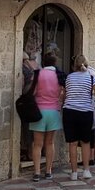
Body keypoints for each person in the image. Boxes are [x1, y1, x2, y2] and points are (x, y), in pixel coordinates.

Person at [63, 55, 95, 180]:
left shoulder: (69, 77)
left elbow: (65, 94)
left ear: (74, 66)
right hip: (85, 112)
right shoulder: (91, 77)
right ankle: (86, 170)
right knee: (86, 142)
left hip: (69, 111)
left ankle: (74, 172)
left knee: (73, 143)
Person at [29, 54, 64, 182]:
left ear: (43, 62)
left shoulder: (38, 74)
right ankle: (48, 171)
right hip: (54, 111)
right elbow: (62, 93)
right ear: (55, 63)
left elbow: (33, 92)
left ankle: (37, 172)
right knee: (50, 143)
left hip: (39, 111)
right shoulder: (59, 75)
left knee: (37, 144)